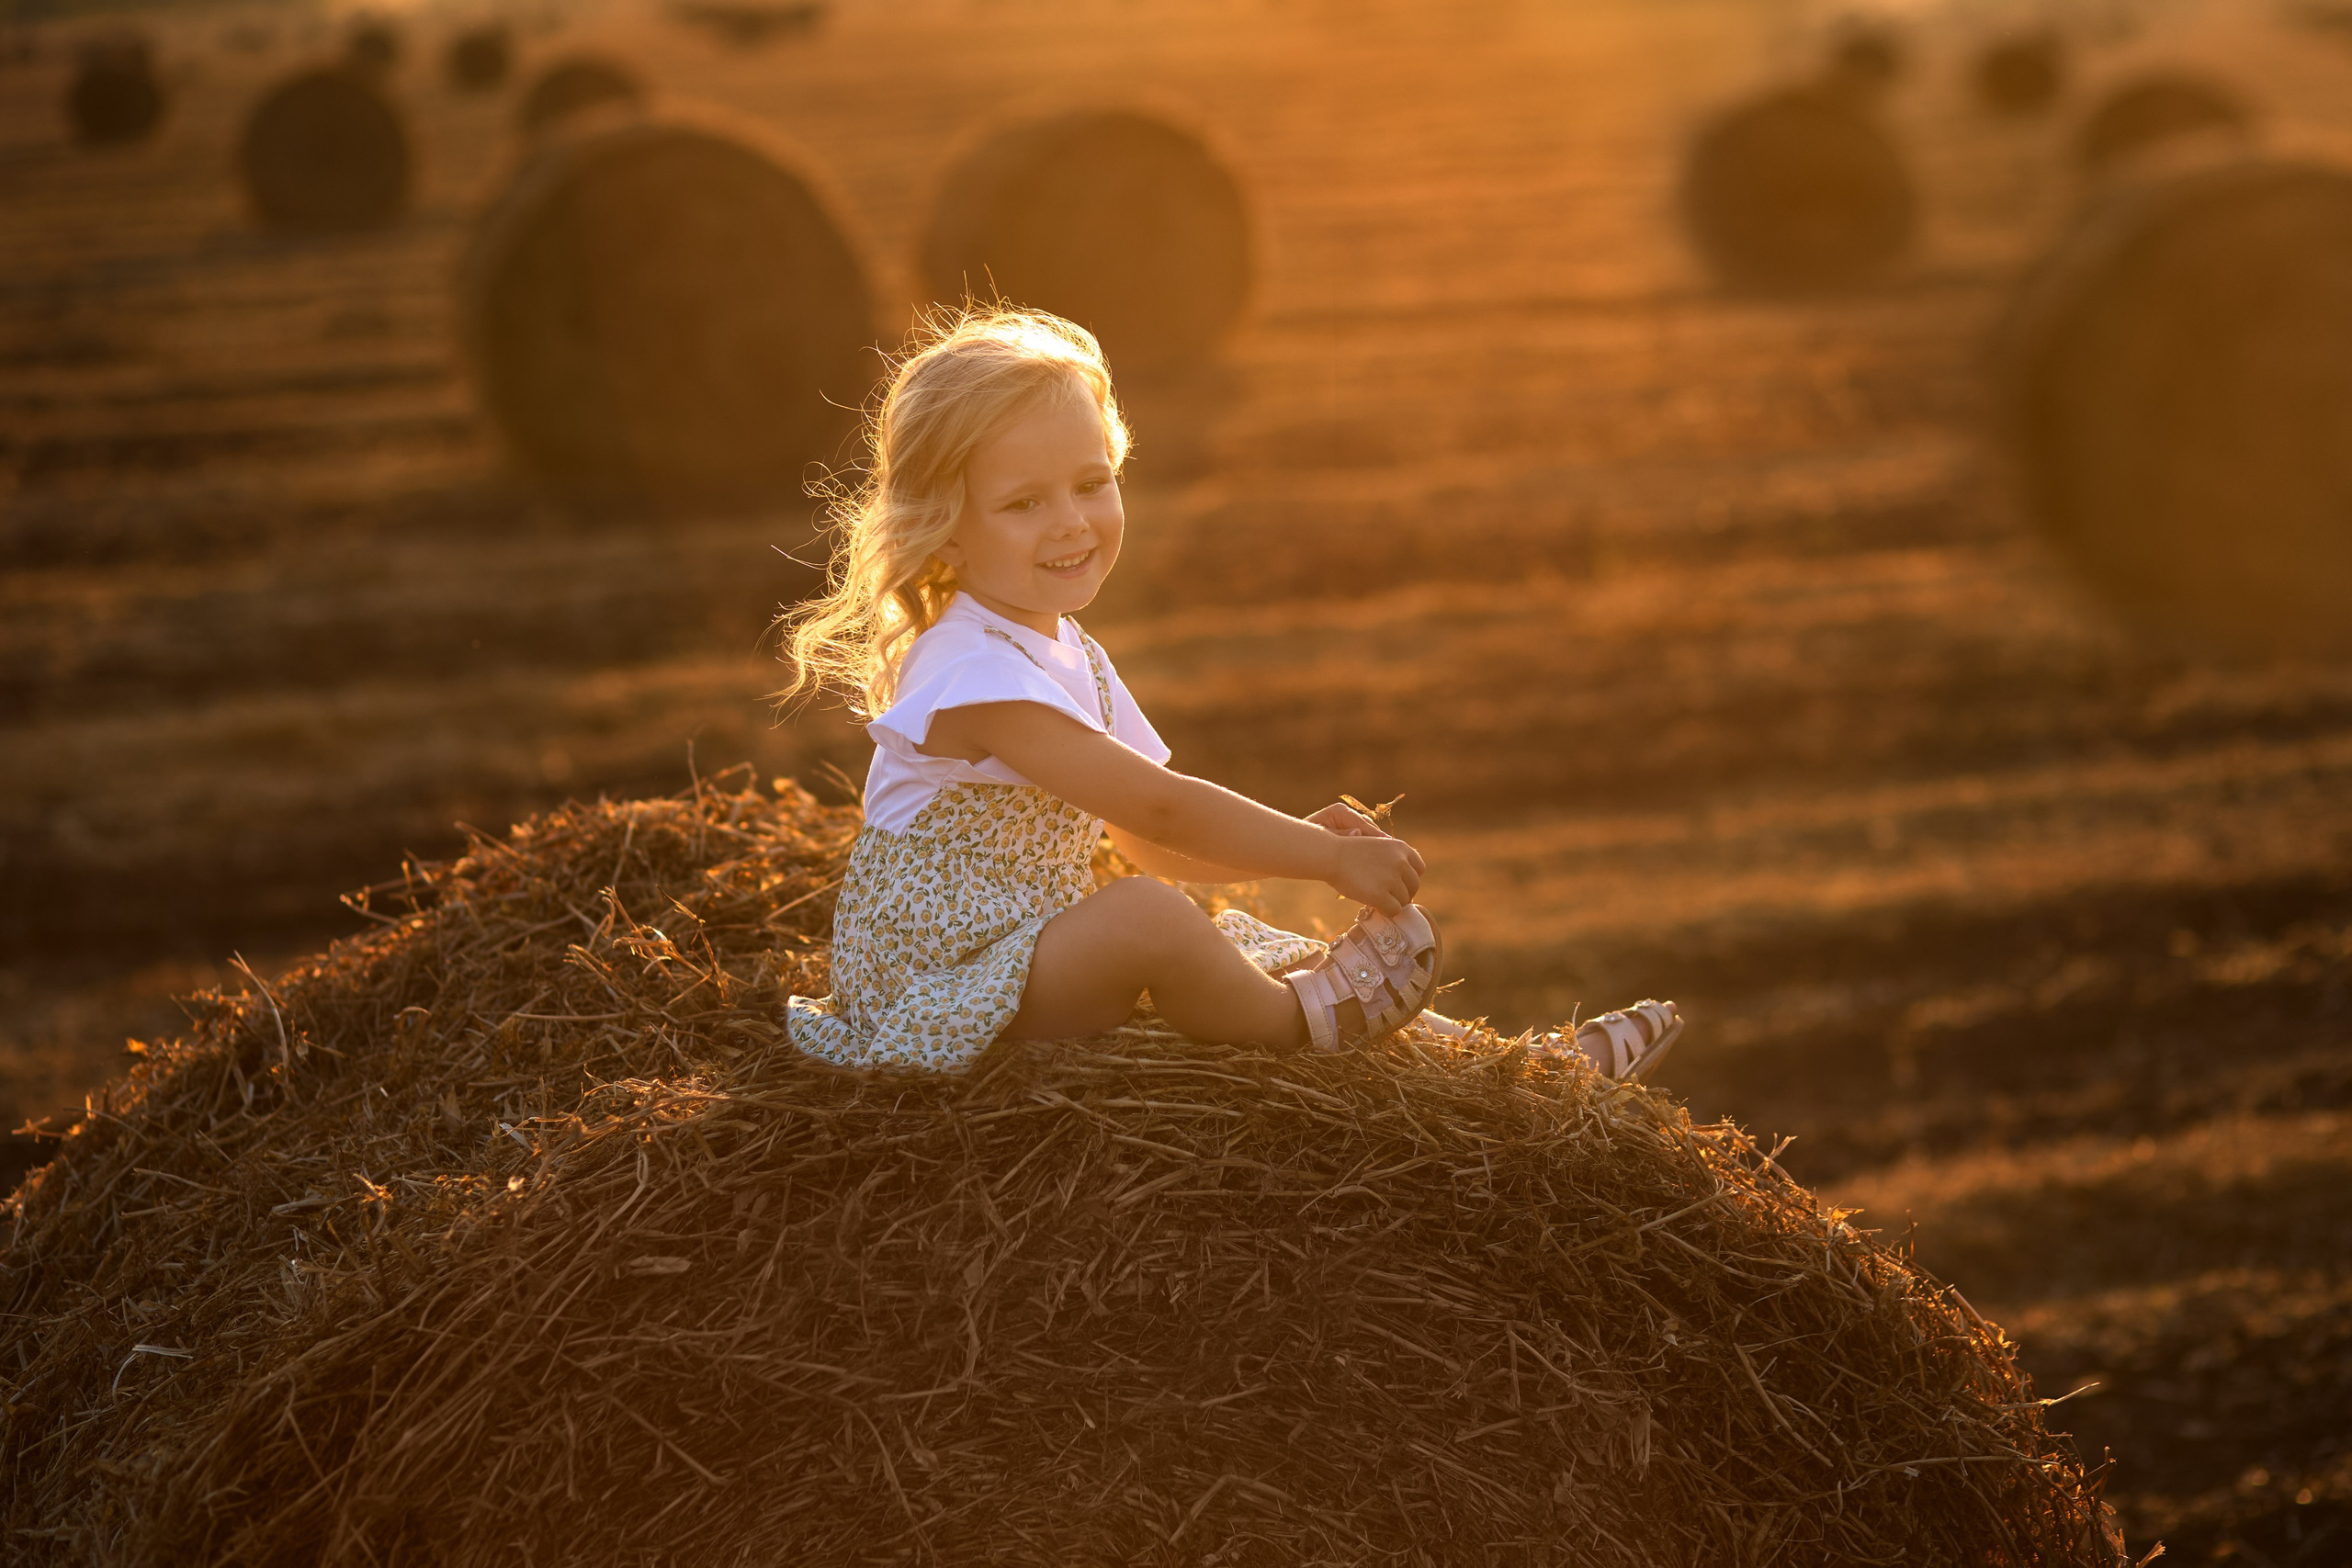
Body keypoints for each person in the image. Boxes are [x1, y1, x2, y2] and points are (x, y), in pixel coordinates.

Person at [775, 308, 1680, 1077]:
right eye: (1024, 503)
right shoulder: (972, 671)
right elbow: (1161, 807)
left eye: (1091, 484)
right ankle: (1303, 1028)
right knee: (1147, 917)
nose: (1072, 522)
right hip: (937, 989)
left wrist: (1295, 837)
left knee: (1244, 937)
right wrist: (1322, 861)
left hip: (1023, 953)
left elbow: (1144, 840)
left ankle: (1517, 1068)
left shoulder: (1067, 651)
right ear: (945, 531)